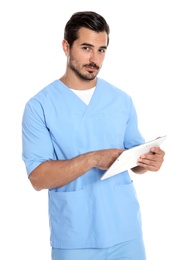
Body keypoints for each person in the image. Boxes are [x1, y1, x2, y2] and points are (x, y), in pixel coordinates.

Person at [22, 11, 165, 260]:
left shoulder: (121, 100)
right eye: (86, 48)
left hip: (125, 232)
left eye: (101, 50)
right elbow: (37, 178)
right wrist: (93, 159)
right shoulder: (40, 106)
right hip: (75, 236)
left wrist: (149, 162)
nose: (94, 58)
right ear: (66, 46)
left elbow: (134, 160)